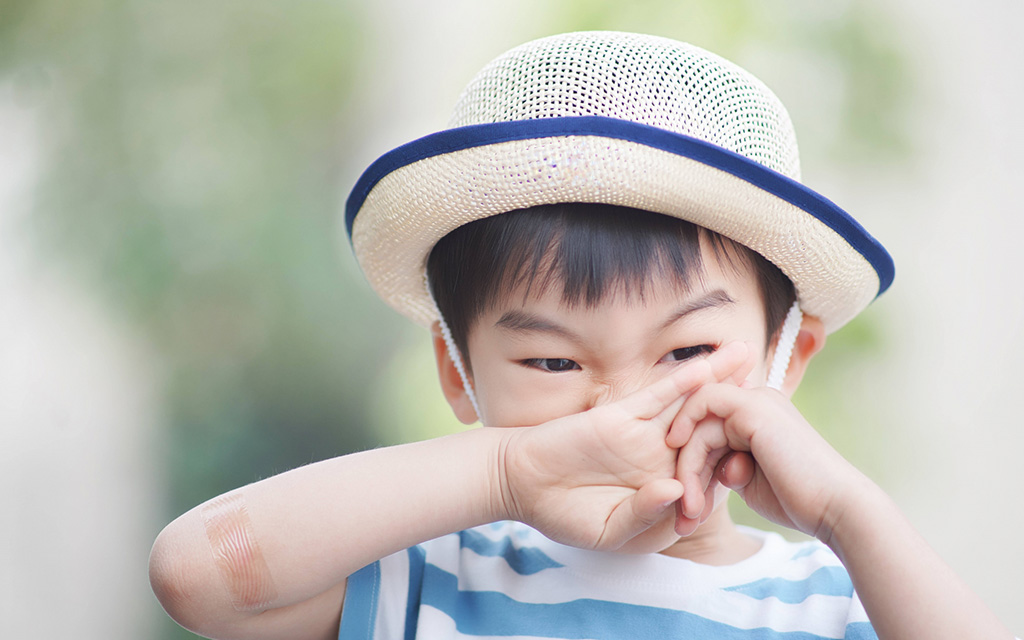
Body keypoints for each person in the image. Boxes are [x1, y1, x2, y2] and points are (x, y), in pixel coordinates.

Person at [149, 31, 1016, 640]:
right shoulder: (427, 579)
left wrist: (845, 512)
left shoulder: (835, 603)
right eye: (553, 360)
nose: (620, 411)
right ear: (457, 372)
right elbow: (197, 578)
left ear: (789, 357)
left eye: (686, 354)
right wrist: (508, 471)